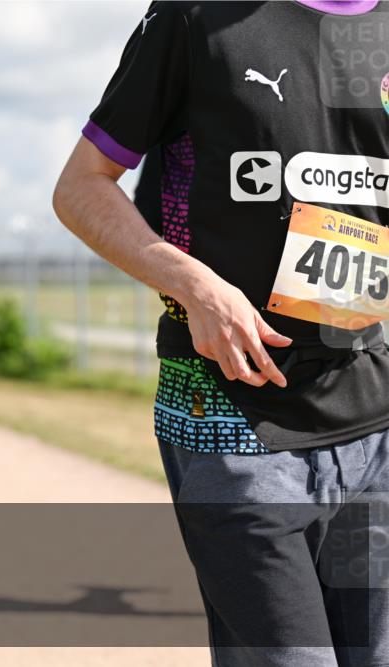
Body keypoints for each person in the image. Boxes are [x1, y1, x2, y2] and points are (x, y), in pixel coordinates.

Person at [53, 2, 388, 665]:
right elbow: (81, 188)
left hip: (374, 417)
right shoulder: (196, 15)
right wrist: (194, 284)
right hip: (229, 410)